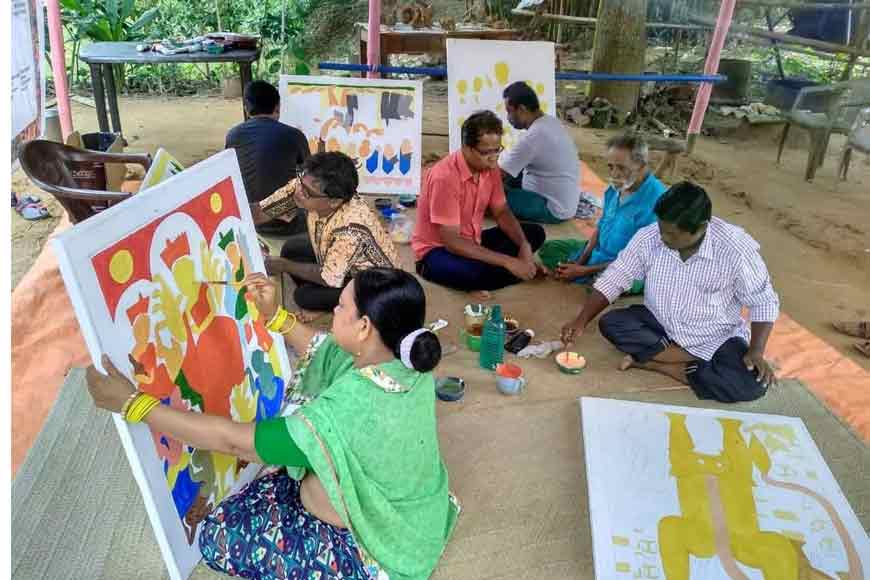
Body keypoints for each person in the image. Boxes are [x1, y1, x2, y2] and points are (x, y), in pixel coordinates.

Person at [86, 268, 459, 579]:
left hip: (372, 541)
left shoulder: (345, 409)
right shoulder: (404, 363)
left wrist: (134, 403)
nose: (333, 308)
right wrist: (275, 315)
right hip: (408, 511)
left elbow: (234, 441)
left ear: (364, 326)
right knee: (263, 485)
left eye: (341, 305)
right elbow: (326, 348)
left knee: (217, 536)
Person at [560, 181, 780, 403]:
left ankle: (652, 363)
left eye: (672, 234)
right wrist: (580, 321)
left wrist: (756, 351)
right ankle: (690, 362)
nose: (663, 237)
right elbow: (617, 276)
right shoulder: (650, 236)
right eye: (661, 228)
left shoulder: (735, 249)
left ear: (702, 227)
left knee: (752, 384)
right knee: (612, 323)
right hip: (661, 323)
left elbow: (763, 301)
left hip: (715, 335)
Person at [412, 111, 546, 297]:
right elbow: (452, 242)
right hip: (438, 250)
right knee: (475, 273)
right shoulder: (444, 177)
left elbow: (501, 211)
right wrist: (509, 262)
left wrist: (523, 246)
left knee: (534, 233)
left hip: (473, 240)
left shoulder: (490, 168)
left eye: (497, 150)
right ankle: (518, 271)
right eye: (486, 152)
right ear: (467, 148)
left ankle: (516, 269)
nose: (493, 158)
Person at [264, 152, 400, 318]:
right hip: (342, 263)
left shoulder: (352, 229)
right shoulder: (308, 184)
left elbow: (328, 278)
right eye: (300, 181)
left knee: (303, 296)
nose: (298, 192)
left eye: (307, 192)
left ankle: (333, 306)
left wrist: (285, 265)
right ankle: (325, 296)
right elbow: (264, 210)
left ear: (334, 201)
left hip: (375, 286)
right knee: (291, 249)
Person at [539, 133, 667, 291]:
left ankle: (590, 278)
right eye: (611, 167)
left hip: (629, 267)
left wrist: (583, 270)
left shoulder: (657, 200)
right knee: (550, 248)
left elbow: (640, 259)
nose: (614, 174)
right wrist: (581, 261)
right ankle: (585, 276)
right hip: (600, 254)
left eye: (621, 168)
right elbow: (600, 229)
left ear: (641, 166)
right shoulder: (615, 188)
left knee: (610, 281)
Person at [225, 80, 311, 235]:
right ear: (277, 107)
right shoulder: (294, 135)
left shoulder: (233, 135)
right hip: (287, 225)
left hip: (247, 221)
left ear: (246, 108)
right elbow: (309, 173)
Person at [498, 81, 580, 224]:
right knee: (506, 178)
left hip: (552, 208)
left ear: (522, 109)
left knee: (488, 197)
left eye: (509, 111)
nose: (508, 117)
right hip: (565, 201)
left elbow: (499, 174)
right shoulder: (550, 122)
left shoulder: (534, 136)